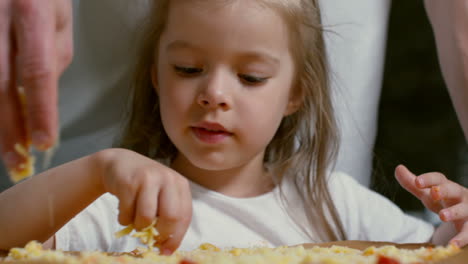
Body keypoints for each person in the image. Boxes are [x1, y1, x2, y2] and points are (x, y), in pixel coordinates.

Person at [1, 0, 467, 255]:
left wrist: (454, 230)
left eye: (250, 78)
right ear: (155, 75)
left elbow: (427, 250)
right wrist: (98, 171)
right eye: (187, 68)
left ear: (294, 94)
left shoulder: (334, 200)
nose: (215, 94)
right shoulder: (128, 205)